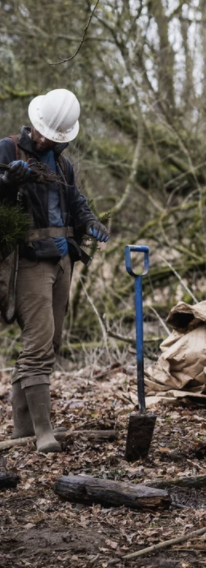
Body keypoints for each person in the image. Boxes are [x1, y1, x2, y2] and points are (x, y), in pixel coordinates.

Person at [0, 89, 110, 453]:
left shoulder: (63, 165)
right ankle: (44, 433)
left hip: (63, 260)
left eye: (54, 135)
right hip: (28, 260)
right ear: (34, 122)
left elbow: (75, 201)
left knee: (52, 343)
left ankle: (22, 430)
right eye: (43, 131)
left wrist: (90, 220)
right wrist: (7, 184)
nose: (45, 138)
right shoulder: (8, 150)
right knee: (37, 344)